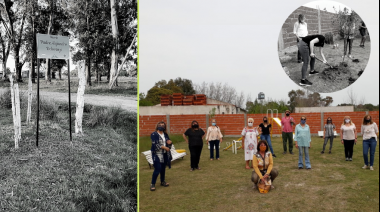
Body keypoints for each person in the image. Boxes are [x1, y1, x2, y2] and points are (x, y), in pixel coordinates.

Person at [150, 121, 172, 191]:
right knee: (157, 169)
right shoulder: (154, 134)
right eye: (160, 125)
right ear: (157, 126)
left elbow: (168, 143)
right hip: (157, 154)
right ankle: (152, 184)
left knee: (163, 168)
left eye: (163, 125)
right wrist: (164, 147)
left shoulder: (165, 134)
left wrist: (170, 143)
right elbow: (155, 144)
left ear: (164, 127)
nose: (161, 126)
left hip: (165, 153)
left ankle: (162, 181)